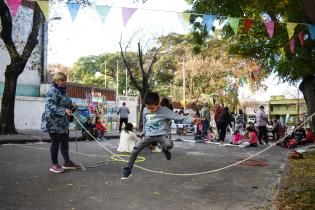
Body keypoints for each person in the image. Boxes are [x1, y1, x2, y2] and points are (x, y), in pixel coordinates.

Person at [121, 92, 199, 179]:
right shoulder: (145, 110)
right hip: (149, 135)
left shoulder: (164, 110)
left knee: (169, 145)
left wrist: (191, 120)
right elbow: (145, 121)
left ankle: (165, 149)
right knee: (136, 148)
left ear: (158, 104)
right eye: (148, 107)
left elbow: (179, 118)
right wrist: (143, 131)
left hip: (162, 134)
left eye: (152, 108)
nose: (150, 110)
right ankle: (128, 169)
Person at [41, 72, 79, 173]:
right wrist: (64, 110)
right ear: (56, 80)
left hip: (63, 122)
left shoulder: (63, 92)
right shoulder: (52, 91)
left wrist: (72, 107)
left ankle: (67, 162)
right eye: (61, 80)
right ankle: (54, 164)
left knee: (65, 142)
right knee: (55, 143)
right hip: (53, 121)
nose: (63, 82)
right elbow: (50, 105)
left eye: (64, 80)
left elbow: (67, 104)